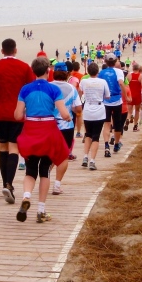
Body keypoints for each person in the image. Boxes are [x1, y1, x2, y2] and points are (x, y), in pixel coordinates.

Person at [14, 57, 70, 222]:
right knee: (44, 170)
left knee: (30, 170)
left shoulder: (25, 89)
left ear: (33, 71)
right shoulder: (53, 89)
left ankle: (26, 196)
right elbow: (64, 113)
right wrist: (67, 117)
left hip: (31, 130)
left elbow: (17, 115)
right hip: (48, 131)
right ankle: (41, 210)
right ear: (48, 71)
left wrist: (29, 112)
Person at [0, 39, 35, 204]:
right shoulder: (24, 66)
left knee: (3, 148)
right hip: (17, 113)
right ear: (15, 50)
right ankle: (9, 183)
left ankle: (5, 183)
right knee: (14, 148)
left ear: (2, 51)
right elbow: (31, 86)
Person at [50, 62, 82, 195]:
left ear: (54, 73)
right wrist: (71, 109)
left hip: (49, 125)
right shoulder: (71, 88)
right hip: (66, 126)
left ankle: (45, 175)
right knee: (63, 156)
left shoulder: (48, 86)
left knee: (49, 154)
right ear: (67, 73)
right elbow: (78, 108)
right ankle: (57, 185)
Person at [78, 62, 110, 171]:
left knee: (88, 134)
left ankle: (85, 156)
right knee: (96, 136)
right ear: (97, 72)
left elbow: (80, 92)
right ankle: (92, 160)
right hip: (99, 110)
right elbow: (107, 95)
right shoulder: (102, 81)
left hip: (88, 109)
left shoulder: (84, 81)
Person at [98, 54, 127, 156]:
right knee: (117, 124)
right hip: (116, 100)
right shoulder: (119, 71)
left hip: (105, 100)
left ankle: (106, 145)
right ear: (115, 62)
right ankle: (116, 144)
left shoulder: (102, 72)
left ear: (105, 62)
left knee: (107, 124)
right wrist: (126, 96)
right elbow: (121, 83)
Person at [128, 63, 142, 132]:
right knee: (137, 110)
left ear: (133, 68)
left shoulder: (129, 75)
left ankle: (127, 120)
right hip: (137, 94)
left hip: (130, 94)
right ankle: (135, 126)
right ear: (139, 69)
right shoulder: (141, 76)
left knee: (129, 111)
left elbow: (125, 84)